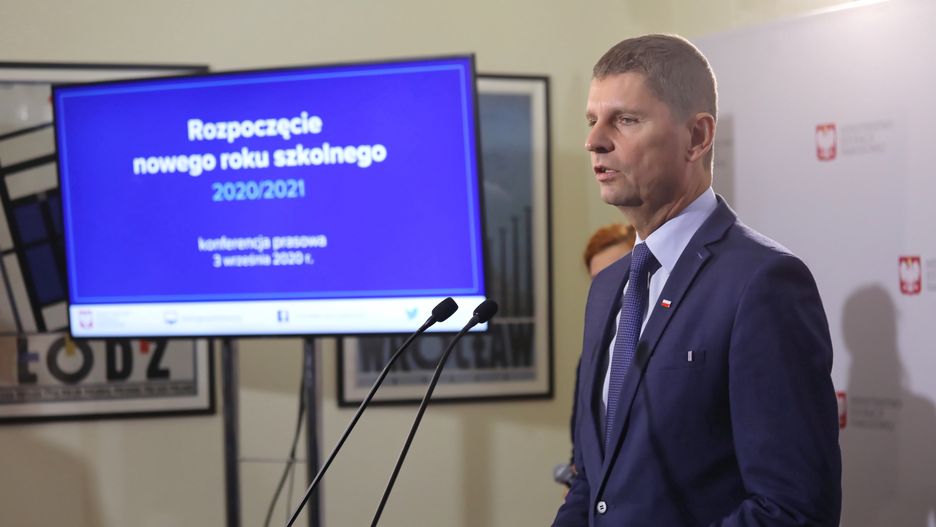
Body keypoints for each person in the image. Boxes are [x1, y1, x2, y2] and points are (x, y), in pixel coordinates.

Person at [553, 34, 841, 526]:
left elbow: (793, 509)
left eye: (625, 119)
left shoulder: (762, 283)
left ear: (697, 137)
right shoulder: (607, 288)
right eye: (591, 120)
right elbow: (591, 483)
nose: (594, 140)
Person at [556, 224, 637, 489]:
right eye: (599, 280)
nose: (611, 289)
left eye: (617, 274)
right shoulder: (592, 357)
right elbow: (581, 444)